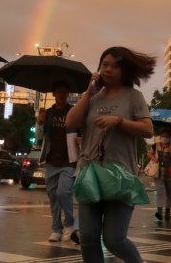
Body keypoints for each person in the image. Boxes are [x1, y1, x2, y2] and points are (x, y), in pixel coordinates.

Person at [66, 46, 154, 263]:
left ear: (125, 70)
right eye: (105, 64)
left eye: (115, 66)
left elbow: (148, 130)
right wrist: (88, 93)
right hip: (89, 175)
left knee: (114, 239)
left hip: (121, 177)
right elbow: (70, 122)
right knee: (88, 236)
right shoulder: (93, 98)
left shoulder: (134, 97)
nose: (108, 69)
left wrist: (119, 121)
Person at [36, 81, 80, 243]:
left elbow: (80, 132)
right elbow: (39, 137)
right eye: (58, 92)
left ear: (68, 94)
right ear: (53, 94)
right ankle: (56, 229)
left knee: (63, 192)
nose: (61, 94)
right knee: (53, 196)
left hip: (69, 160)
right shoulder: (47, 113)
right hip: (50, 160)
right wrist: (39, 123)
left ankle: (69, 225)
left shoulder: (74, 112)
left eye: (64, 92)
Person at [148, 128, 171, 221]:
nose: (164, 138)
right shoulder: (156, 146)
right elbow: (149, 153)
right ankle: (159, 212)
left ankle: (167, 211)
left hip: (170, 174)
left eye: (166, 136)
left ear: (169, 138)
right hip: (158, 173)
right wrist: (154, 158)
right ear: (160, 137)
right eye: (163, 136)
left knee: (169, 194)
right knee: (159, 192)